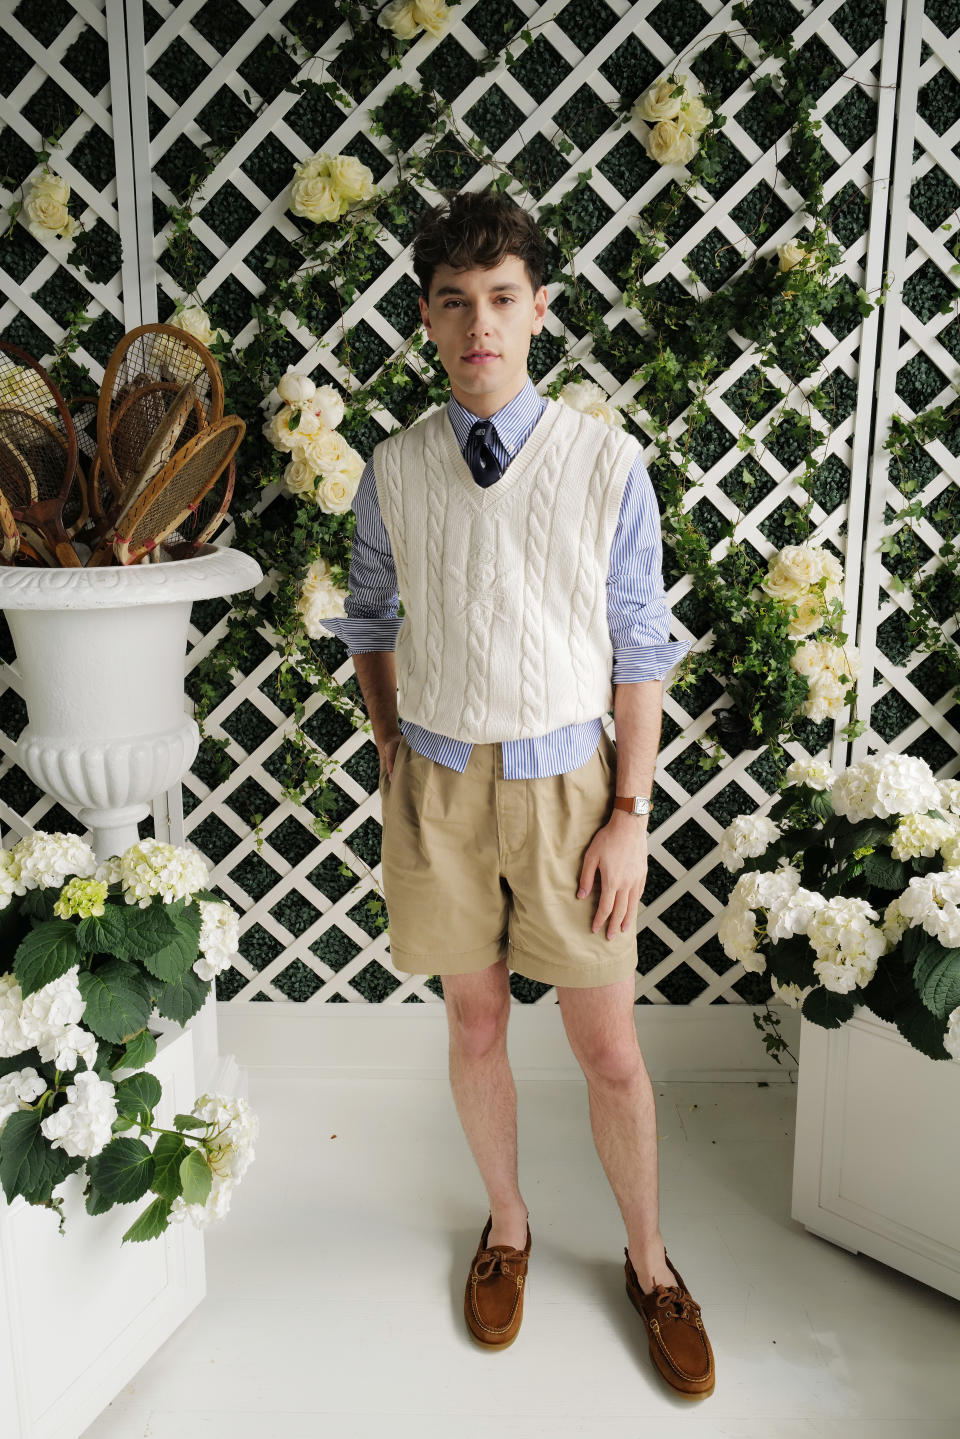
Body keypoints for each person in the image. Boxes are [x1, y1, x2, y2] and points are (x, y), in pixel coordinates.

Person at [319, 188, 715, 1399]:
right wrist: (391, 746)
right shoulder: (392, 469)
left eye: (501, 299)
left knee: (608, 1050)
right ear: (427, 319)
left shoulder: (605, 463)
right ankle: (509, 1226)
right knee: (475, 1022)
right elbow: (373, 621)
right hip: (437, 787)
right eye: (454, 303)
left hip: (571, 794)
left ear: (539, 309)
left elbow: (640, 647)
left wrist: (631, 814)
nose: (478, 323)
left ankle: (650, 1263)